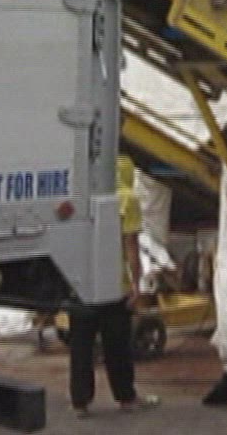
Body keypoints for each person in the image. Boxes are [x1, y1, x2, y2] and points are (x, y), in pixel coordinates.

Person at [68, 152, 160, 417]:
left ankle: (80, 403)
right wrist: (136, 283)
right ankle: (126, 398)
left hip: (81, 284)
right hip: (113, 285)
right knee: (117, 346)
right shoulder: (127, 199)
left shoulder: (80, 196)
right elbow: (130, 246)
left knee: (81, 347)